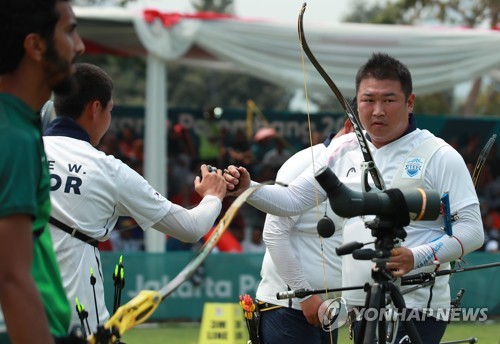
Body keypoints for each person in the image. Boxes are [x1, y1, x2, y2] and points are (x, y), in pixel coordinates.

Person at [224, 53, 483, 343]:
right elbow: (291, 201)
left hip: (418, 304)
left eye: (388, 100)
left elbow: (472, 231)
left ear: (410, 103)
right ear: (355, 102)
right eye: (368, 100)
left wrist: (415, 256)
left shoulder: (440, 155)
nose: (377, 111)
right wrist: (248, 186)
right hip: (364, 303)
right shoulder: (342, 149)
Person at [43, 63, 227, 333]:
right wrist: (213, 196)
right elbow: (191, 228)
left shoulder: (18, 149)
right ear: (95, 108)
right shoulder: (108, 169)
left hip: (13, 315)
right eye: (110, 110)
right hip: (76, 321)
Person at [0, 0, 85, 342]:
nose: (79, 46)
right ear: (35, 45)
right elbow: (10, 277)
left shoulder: (21, 125)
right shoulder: (13, 136)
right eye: (69, 31)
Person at [256, 118, 353, 344]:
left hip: (326, 309)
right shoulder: (303, 162)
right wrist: (304, 294)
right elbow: (273, 232)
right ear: (349, 126)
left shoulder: (352, 166)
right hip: (289, 307)